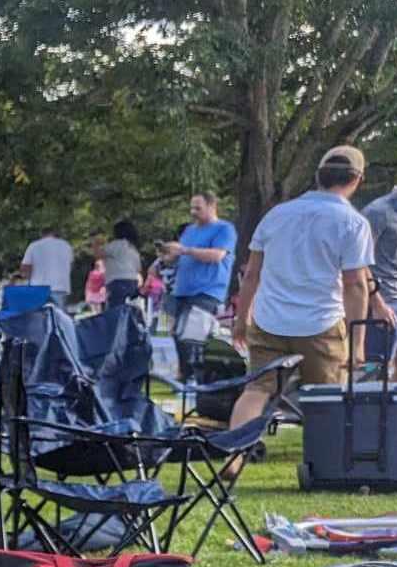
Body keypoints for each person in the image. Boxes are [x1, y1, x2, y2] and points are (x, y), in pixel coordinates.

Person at [228, 146, 379, 427]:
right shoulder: (353, 223)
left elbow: (251, 275)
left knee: (256, 390)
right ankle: (325, 462)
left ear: (318, 176)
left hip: (269, 320)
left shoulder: (277, 214)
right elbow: (356, 285)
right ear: (357, 179)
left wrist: (241, 321)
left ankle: (232, 457)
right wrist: (357, 343)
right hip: (320, 325)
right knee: (326, 398)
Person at [158, 190, 237, 373]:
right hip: (182, 291)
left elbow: (217, 255)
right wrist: (168, 256)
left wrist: (185, 250)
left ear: (212, 206)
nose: (193, 212)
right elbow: (181, 255)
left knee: (192, 337)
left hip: (207, 291)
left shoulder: (224, 229)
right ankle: (186, 377)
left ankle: (198, 378)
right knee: (176, 334)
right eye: (191, 208)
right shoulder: (190, 230)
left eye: (198, 208)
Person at [358, 168, 397, 375]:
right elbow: (357, 261)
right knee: (375, 373)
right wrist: (377, 303)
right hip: (384, 304)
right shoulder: (378, 212)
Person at [20, 227, 74, 302]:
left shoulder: (34, 246)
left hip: (38, 287)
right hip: (61, 287)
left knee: (40, 312)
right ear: (55, 234)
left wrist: (28, 278)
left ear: (42, 234)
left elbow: (25, 268)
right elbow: (70, 265)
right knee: (57, 312)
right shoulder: (66, 245)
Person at [101, 221, 144, 310]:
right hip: (132, 281)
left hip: (117, 281)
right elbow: (138, 268)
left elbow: (100, 254)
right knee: (129, 309)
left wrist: (96, 244)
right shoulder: (133, 247)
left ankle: (115, 323)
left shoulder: (117, 244)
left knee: (115, 308)